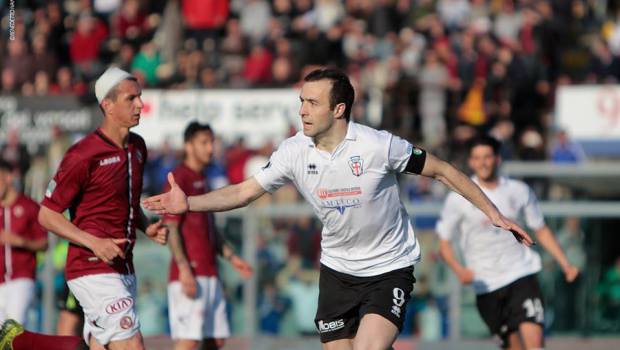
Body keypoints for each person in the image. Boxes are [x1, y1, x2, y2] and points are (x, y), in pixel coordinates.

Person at [144, 68, 534, 350]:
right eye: (301, 101)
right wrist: (189, 203)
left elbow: (444, 171)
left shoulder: (379, 145)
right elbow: (244, 192)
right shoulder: (293, 151)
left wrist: (494, 213)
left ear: (339, 109)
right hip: (337, 273)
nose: (303, 110)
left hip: (388, 269)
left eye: (313, 102)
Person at [38, 67, 168, 350]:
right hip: (91, 267)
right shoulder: (82, 154)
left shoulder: (138, 147)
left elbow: (125, 204)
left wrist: (147, 226)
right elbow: (46, 214)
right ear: (107, 106)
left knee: (100, 345)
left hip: (123, 266)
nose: (139, 104)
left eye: (140, 97)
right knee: (131, 345)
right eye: (130, 98)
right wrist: (94, 243)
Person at [435, 136, 579, 350]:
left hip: (521, 275)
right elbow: (444, 241)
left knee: (535, 343)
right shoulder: (458, 198)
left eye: (487, 157)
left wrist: (565, 264)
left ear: (497, 159)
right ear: (471, 162)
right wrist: (459, 270)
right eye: (477, 158)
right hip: (486, 284)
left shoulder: (518, 190)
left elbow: (540, 229)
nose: (483, 162)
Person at [164, 121, 253, 350]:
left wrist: (232, 258)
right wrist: (184, 269)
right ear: (188, 146)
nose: (210, 148)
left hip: (210, 271)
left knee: (216, 340)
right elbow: (171, 228)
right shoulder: (179, 179)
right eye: (204, 142)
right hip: (191, 273)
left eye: (212, 142)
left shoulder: (203, 179)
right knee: (189, 341)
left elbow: (210, 229)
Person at [0, 159, 49, 324]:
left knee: (14, 328)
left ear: (7, 178)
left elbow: (44, 243)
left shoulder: (29, 206)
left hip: (22, 279)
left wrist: (21, 242)